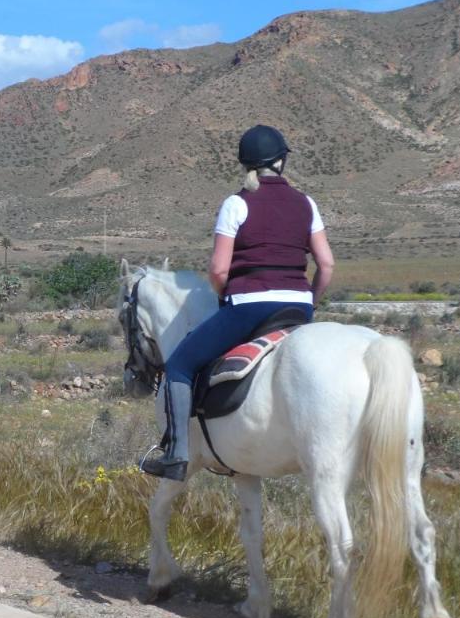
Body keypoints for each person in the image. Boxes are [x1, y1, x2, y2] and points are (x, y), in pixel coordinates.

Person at [140, 124, 335, 479]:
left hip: (250, 306)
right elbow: (326, 264)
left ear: (246, 165)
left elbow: (217, 270)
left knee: (180, 365)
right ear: (281, 161)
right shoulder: (307, 203)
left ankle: (176, 455)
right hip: (297, 307)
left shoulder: (236, 204)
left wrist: (225, 297)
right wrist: (312, 303)